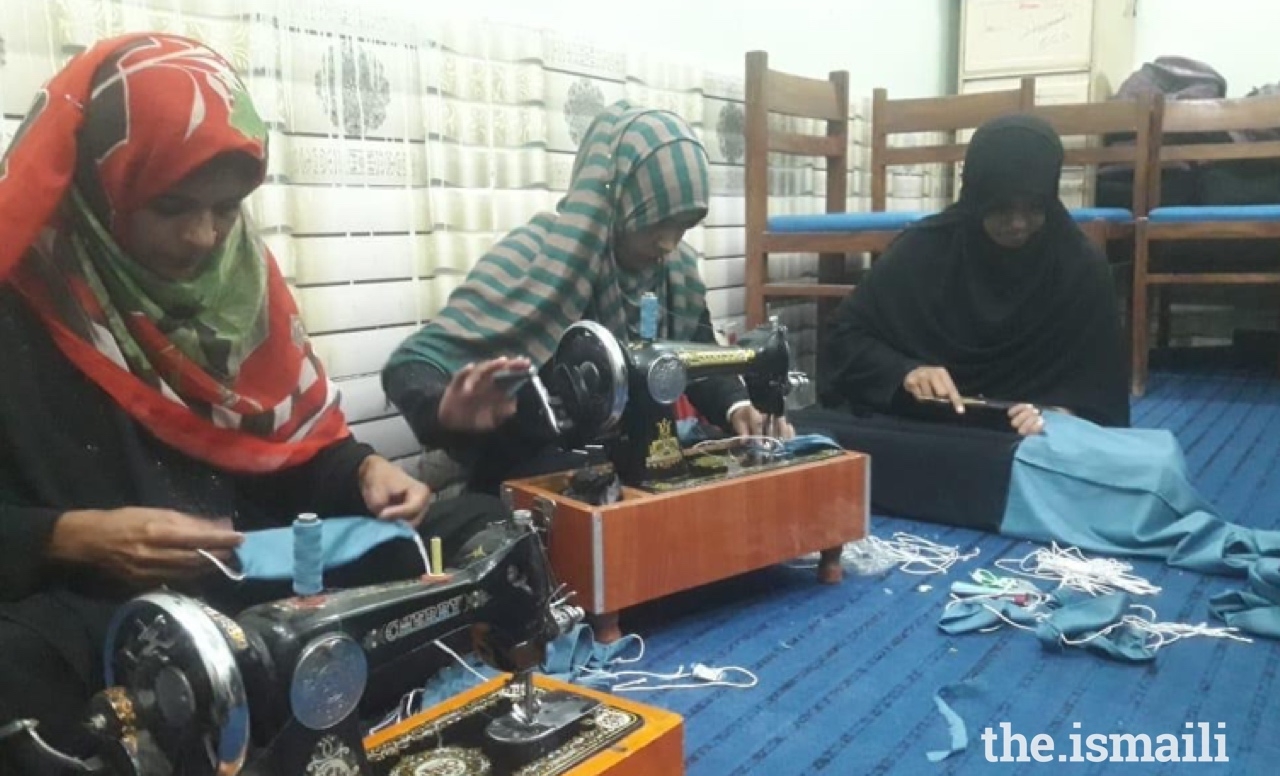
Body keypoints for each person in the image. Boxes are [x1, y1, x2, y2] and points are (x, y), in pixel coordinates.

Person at [0, 34, 507, 776]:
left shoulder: (239, 281)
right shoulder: (18, 297)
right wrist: (74, 537)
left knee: (465, 531)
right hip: (92, 603)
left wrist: (362, 469)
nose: (204, 237)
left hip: (242, 584)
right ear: (102, 188)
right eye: (170, 207)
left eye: (226, 209)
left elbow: (287, 450)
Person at [383, 101, 792, 494]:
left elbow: (694, 356)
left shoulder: (676, 273)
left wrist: (738, 407)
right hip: (536, 479)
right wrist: (442, 409)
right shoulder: (536, 259)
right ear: (613, 202)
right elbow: (412, 367)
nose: (669, 243)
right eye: (655, 224)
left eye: (683, 226)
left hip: (632, 471)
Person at [798, 114, 1129, 528]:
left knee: (1085, 471)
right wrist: (906, 372)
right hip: (924, 427)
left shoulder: (1078, 267)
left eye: (1033, 208)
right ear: (974, 199)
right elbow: (845, 339)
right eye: (1001, 209)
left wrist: (1062, 415)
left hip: (1025, 440)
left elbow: (1102, 392)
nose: (1019, 224)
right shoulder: (924, 250)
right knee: (805, 436)